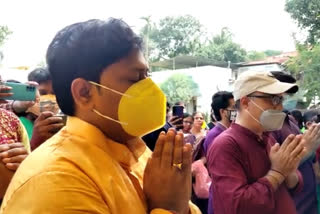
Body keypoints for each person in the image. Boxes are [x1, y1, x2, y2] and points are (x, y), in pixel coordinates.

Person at [1, 19, 200, 214]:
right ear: (84, 93)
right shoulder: (55, 179)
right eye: (134, 79)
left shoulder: (137, 153)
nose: (151, 90)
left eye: (147, 77)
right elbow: (172, 206)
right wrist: (168, 209)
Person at [207, 71, 320, 214]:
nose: (279, 107)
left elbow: (294, 187)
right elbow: (237, 206)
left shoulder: (267, 138)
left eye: (280, 100)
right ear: (246, 102)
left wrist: (290, 170)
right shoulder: (225, 145)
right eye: (273, 100)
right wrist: (277, 173)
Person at [270, 71, 319, 214]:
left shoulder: (290, 120)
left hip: (309, 201)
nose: (285, 99)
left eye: (287, 94)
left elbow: (311, 159)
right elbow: (277, 167)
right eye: (280, 96)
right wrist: (307, 148)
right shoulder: (269, 126)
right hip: (294, 204)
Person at [203, 91, 235, 214]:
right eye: (233, 108)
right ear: (222, 112)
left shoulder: (229, 132)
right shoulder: (215, 136)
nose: (237, 111)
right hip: (222, 199)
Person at [203, 91, 235, 155]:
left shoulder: (229, 130)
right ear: (223, 111)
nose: (237, 110)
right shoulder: (214, 135)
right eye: (234, 107)